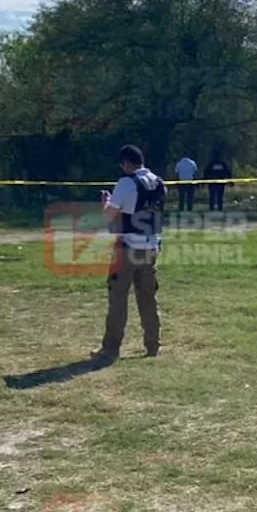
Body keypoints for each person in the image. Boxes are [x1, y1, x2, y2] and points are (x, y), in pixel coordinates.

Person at [90, 145, 164, 366]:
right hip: (151, 247)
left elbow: (110, 216)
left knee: (118, 298)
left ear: (127, 163)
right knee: (148, 297)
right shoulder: (159, 182)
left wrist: (106, 203)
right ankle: (153, 344)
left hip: (128, 247)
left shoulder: (126, 182)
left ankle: (110, 349)